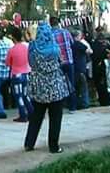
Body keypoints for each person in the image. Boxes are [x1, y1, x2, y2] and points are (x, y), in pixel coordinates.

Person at [23, 23, 68, 154]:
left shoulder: (33, 47)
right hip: (55, 86)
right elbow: (62, 62)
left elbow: (31, 63)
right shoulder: (55, 48)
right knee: (55, 118)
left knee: (36, 116)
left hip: (39, 87)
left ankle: (29, 143)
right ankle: (54, 146)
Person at [6, 26, 32, 122]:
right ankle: (31, 112)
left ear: (13, 38)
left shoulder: (12, 49)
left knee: (18, 95)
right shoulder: (26, 47)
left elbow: (8, 63)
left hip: (16, 74)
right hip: (26, 74)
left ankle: (22, 114)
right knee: (26, 95)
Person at [49, 17, 75, 112]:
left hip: (58, 62)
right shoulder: (66, 32)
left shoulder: (50, 34)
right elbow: (72, 44)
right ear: (58, 23)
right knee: (71, 83)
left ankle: (60, 106)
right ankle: (72, 106)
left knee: (58, 84)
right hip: (69, 61)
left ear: (50, 24)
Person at [71, 30, 91, 110]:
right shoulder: (79, 44)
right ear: (78, 36)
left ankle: (76, 103)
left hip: (74, 68)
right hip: (81, 68)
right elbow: (89, 51)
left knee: (76, 88)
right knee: (83, 87)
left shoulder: (71, 44)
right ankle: (85, 103)